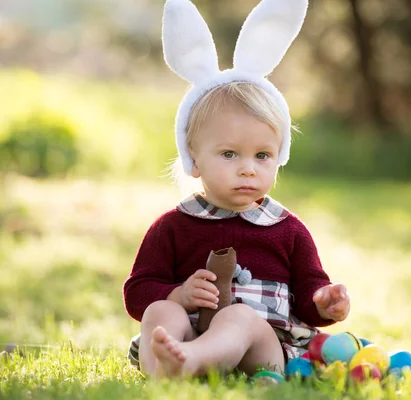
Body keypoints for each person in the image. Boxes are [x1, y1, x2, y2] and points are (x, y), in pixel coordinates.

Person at [122, 0, 350, 379]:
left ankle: (189, 364)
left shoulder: (287, 229)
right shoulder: (173, 227)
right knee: (161, 312)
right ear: (193, 159)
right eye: (229, 154)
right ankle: (167, 368)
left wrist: (324, 302)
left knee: (239, 318)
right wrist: (178, 295)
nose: (248, 168)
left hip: (262, 348)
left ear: (279, 157)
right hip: (192, 333)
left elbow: (310, 290)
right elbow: (138, 291)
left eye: (262, 155)